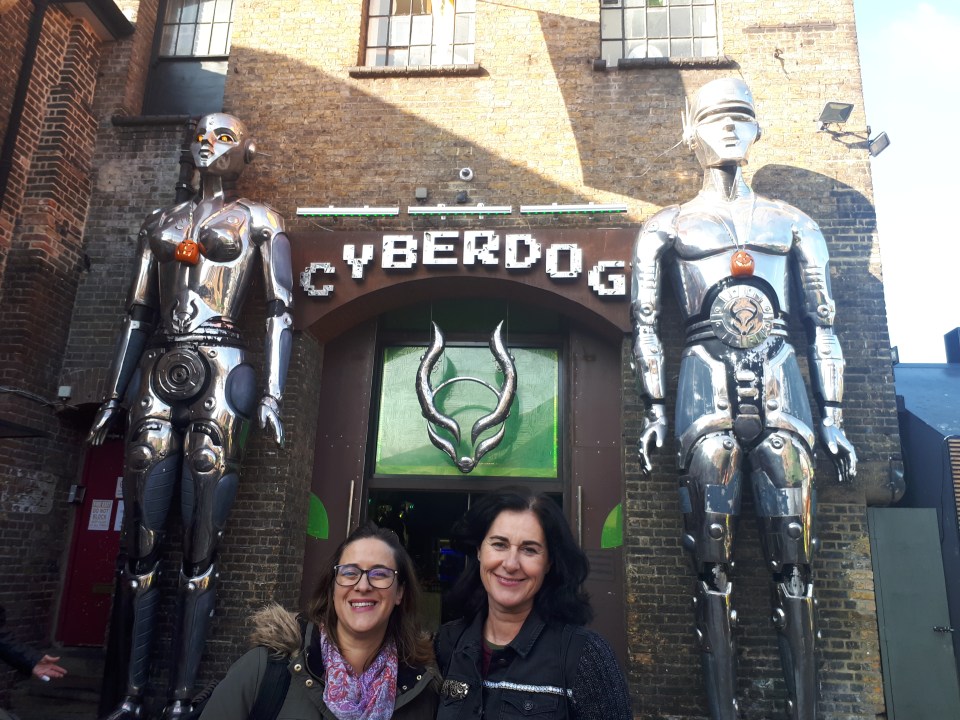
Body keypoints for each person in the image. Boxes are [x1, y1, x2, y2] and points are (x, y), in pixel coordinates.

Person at [630, 77, 857, 720]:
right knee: (710, 559)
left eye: (740, 116)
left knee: (797, 559)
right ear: (690, 131)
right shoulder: (666, 226)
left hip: (785, 382)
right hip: (704, 386)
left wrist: (834, 417)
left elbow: (823, 325)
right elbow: (645, 325)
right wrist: (653, 410)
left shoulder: (796, 224)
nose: (729, 127)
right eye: (714, 117)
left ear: (758, 128)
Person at [87, 113, 294, 720]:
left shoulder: (260, 220)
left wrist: (273, 396)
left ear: (247, 151)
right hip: (159, 364)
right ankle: (131, 695)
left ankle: (180, 698)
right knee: (143, 546)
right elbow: (136, 313)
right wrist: (111, 397)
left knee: (202, 551)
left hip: (223, 365)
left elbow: (279, 310)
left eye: (224, 137)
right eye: (201, 136)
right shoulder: (161, 222)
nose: (208, 145)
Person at [198, 523, 439, 720]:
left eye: (380, 574)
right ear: (332, 588)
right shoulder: (265, 670)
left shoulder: (422, 693)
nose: (363, 585)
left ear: (399, 593)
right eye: (350, 572)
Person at [435, 490, 631, 720]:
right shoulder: (447, 643)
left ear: (549, 562)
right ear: (479, 550)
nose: (511, 564)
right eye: (499, 544)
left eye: (529, 550)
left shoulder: (585, 656)